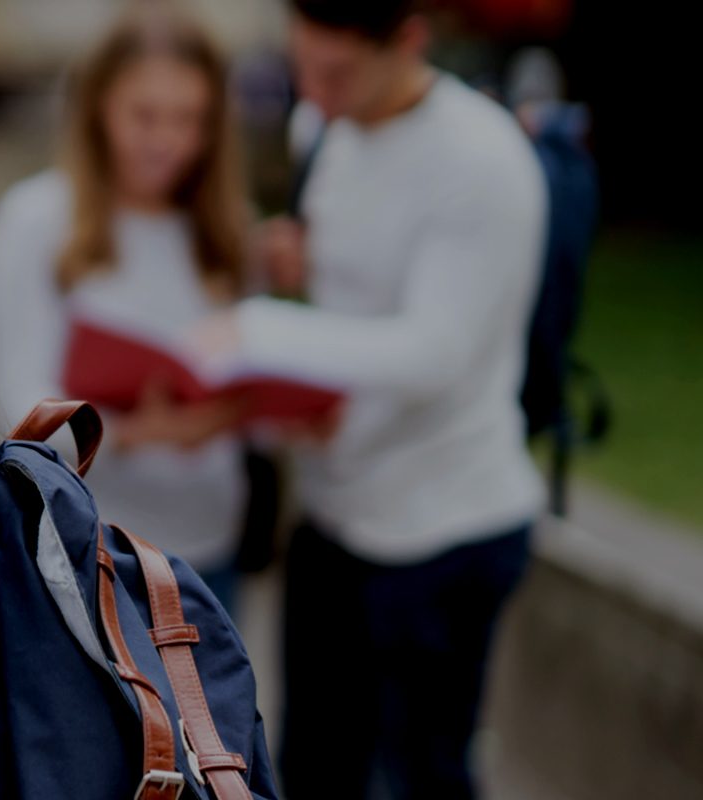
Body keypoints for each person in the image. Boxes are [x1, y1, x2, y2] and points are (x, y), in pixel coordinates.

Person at [196, 0, 547, 796]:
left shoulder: (481, 160)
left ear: (411, 39)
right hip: (331, 521)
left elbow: (435, 350)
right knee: (310, 764)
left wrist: (258, 331)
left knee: (423, 775)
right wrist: (298, 268)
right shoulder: (325, 127)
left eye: (337, 73)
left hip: (443, 530)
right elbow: (354, 298)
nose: (314, 96)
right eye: (301, 70)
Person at [0, 0, 256, 610]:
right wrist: (132, 433)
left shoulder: (225, 232)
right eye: (145, 115)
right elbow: (14, 411)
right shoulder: (37, 220)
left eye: (190, 119)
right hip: (92, 555)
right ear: (100, 108)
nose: (168, 141)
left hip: (209, 553)